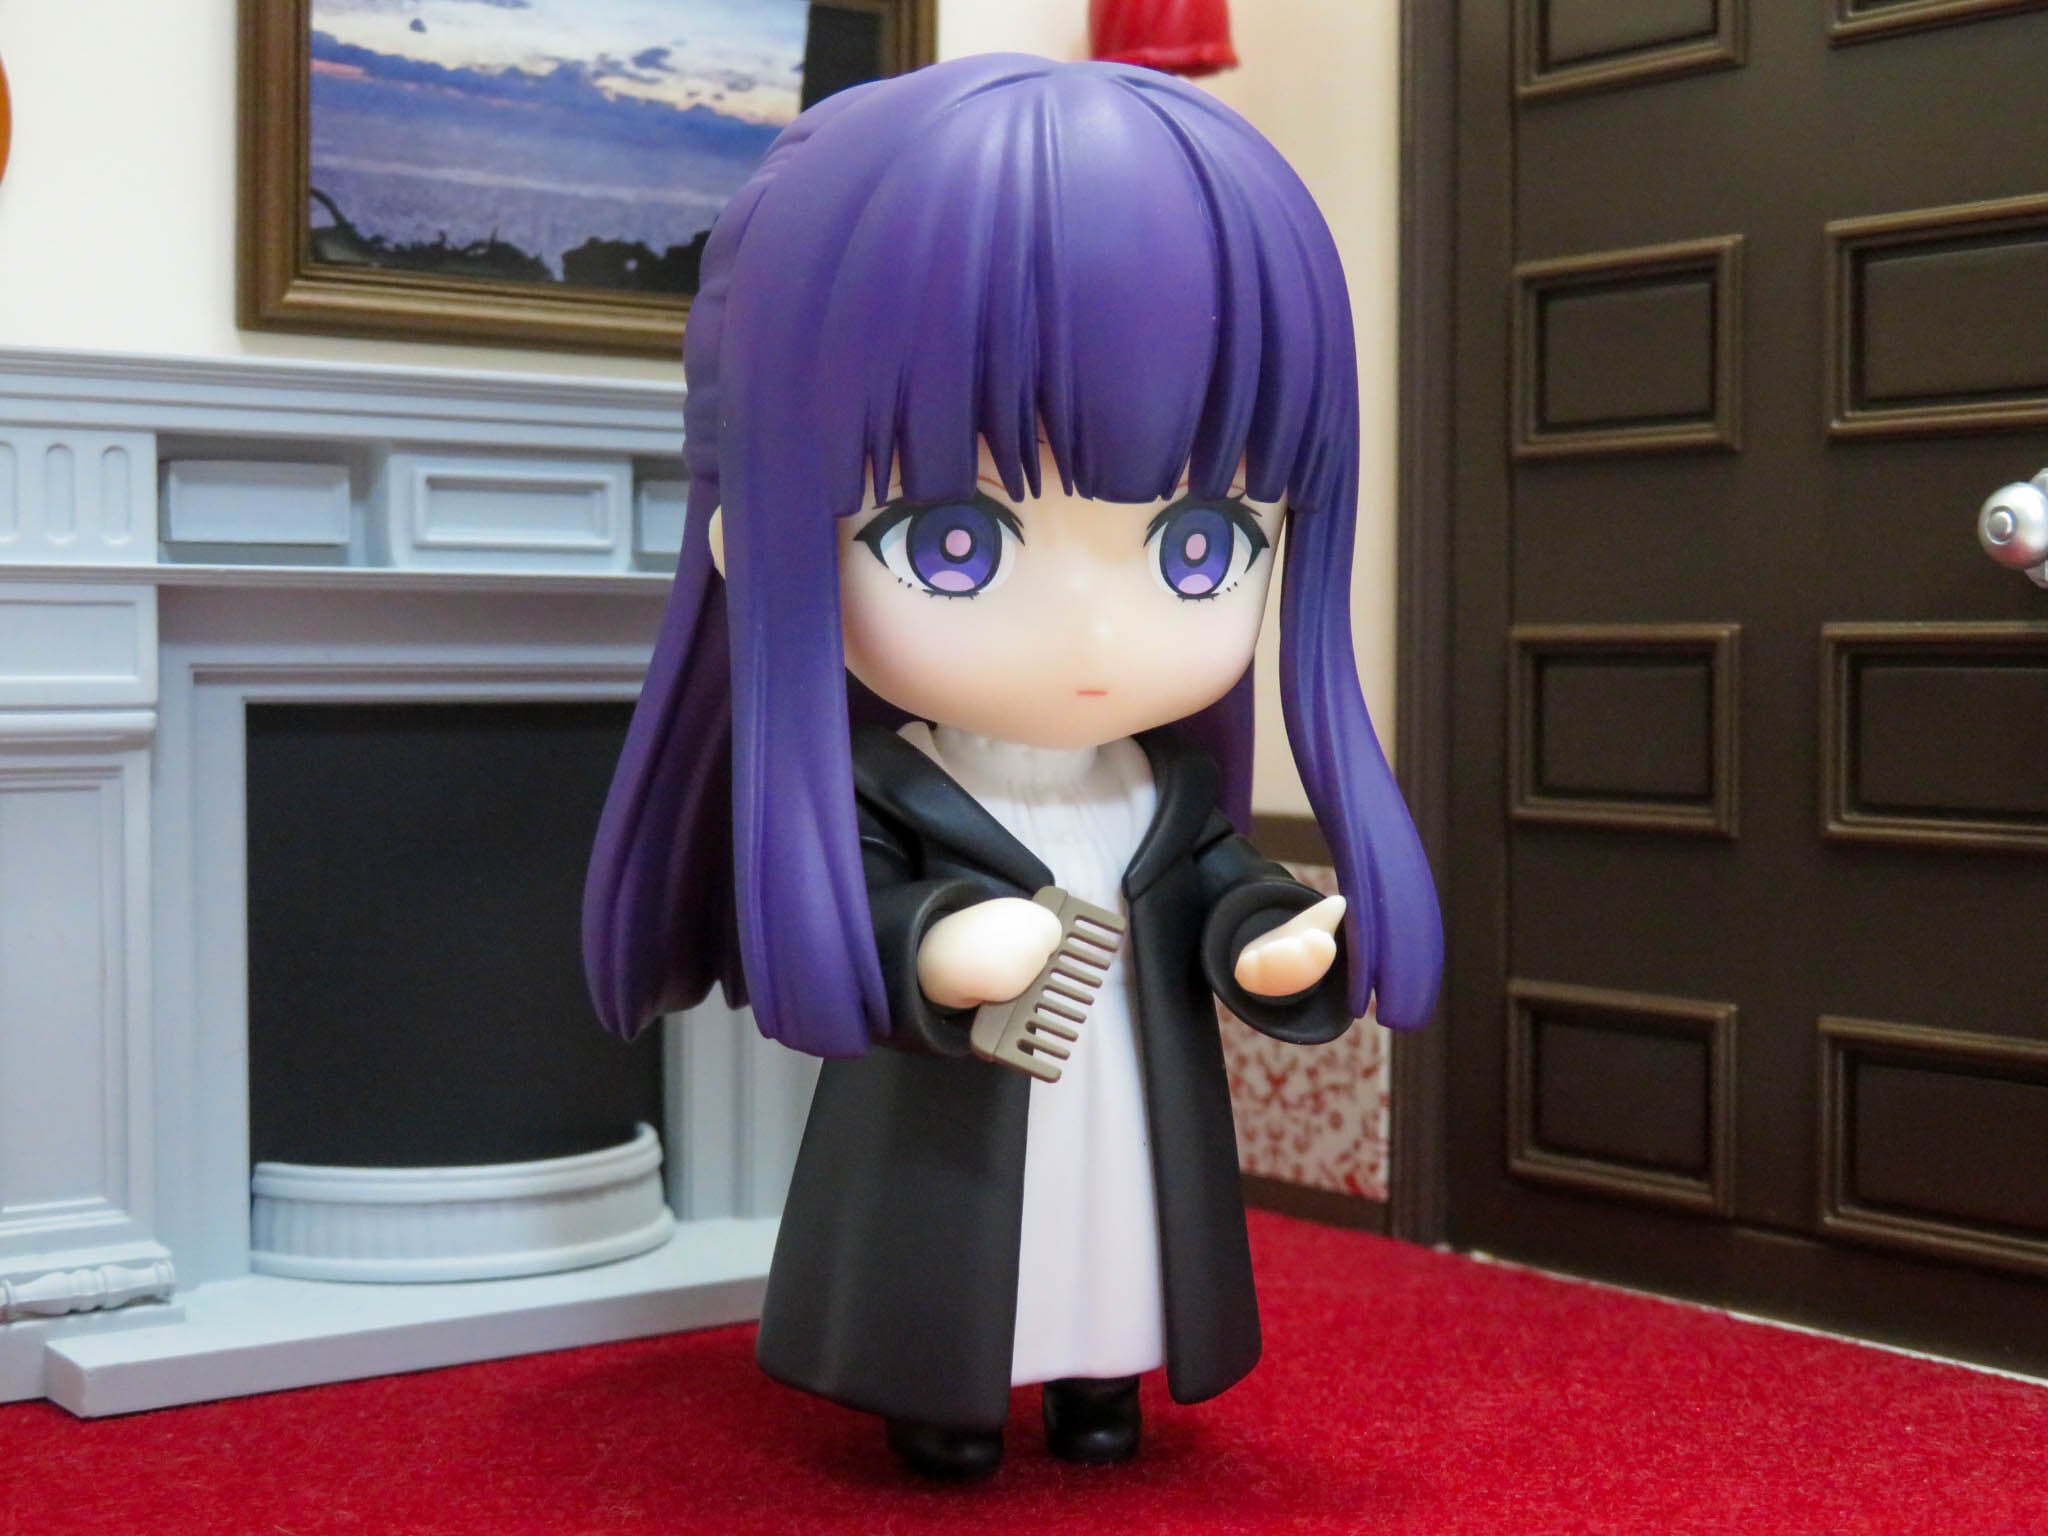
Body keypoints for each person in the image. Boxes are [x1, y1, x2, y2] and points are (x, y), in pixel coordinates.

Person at [583, 53, 1442, 1480]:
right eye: (955, 542)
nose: (1095, 637)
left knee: (1119, 1232)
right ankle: (944, 1393)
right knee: (966, 1247)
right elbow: (856, 907)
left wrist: (1266, 941)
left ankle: (1103, 1383)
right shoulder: (882, 786)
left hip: (1128, 1102)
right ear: (757, 542)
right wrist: (935, 942)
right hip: (951, 1124)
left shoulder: (1160, 789)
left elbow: (1213, 887)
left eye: (1199, 546)